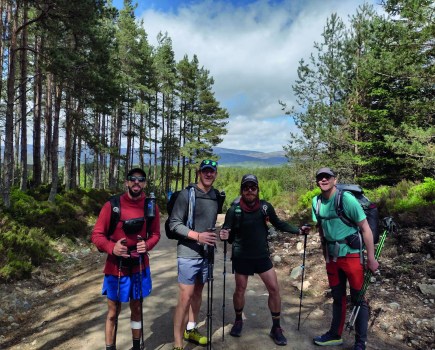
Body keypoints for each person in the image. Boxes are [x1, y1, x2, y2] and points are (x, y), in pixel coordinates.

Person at [219, 174, 310, 346]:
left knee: (274, 289)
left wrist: (298, 230)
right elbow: (226, 230)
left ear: (258, 189)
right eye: (246, 187)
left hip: (261, 256)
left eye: (253, 187)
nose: (250, 191)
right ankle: (238, 320)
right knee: (240, 290)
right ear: (242, 190)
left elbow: (279, 223)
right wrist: (223, 234)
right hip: (241, 256)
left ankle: (276, 327)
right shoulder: (234, 210)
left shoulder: (265, 208)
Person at [91, 168, 161, 350]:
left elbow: (155, 234)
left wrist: (147, 245)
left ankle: (136, 346)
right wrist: (111, 247)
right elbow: (97, 236)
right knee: (113, 312)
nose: (136, 183)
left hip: (139, 265)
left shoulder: (151, 206)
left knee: (136, 308)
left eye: (141, 180)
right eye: (133, 179)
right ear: (127, 182)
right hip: (116, 266)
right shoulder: (112, 206)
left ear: (145, 183)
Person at [311, 167, 379, 350]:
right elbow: (321, 228)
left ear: (335, 179)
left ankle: (360, 342)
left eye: (327, 177)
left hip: (352, 256)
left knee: (358, 298)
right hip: (332, 258)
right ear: (317, 181)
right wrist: (325, 254)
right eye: (320, 177)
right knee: (338, 296)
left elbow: (365, 228)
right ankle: (335, 335)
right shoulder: (316, 201)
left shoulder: (346, 199)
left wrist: (371, 258)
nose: (323, 180)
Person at [168, 159, 220, 350]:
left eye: (212, 171)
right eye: (205, 171)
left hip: (206, 254)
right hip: (188, 253)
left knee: (198, 293)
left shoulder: (216, 196)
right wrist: (198, 236)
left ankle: (191, 329)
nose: (208, 174)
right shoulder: (186, 194)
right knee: (185, 297)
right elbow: (174, 223)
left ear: (216, 173)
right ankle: (178, 343)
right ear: (199, 173)